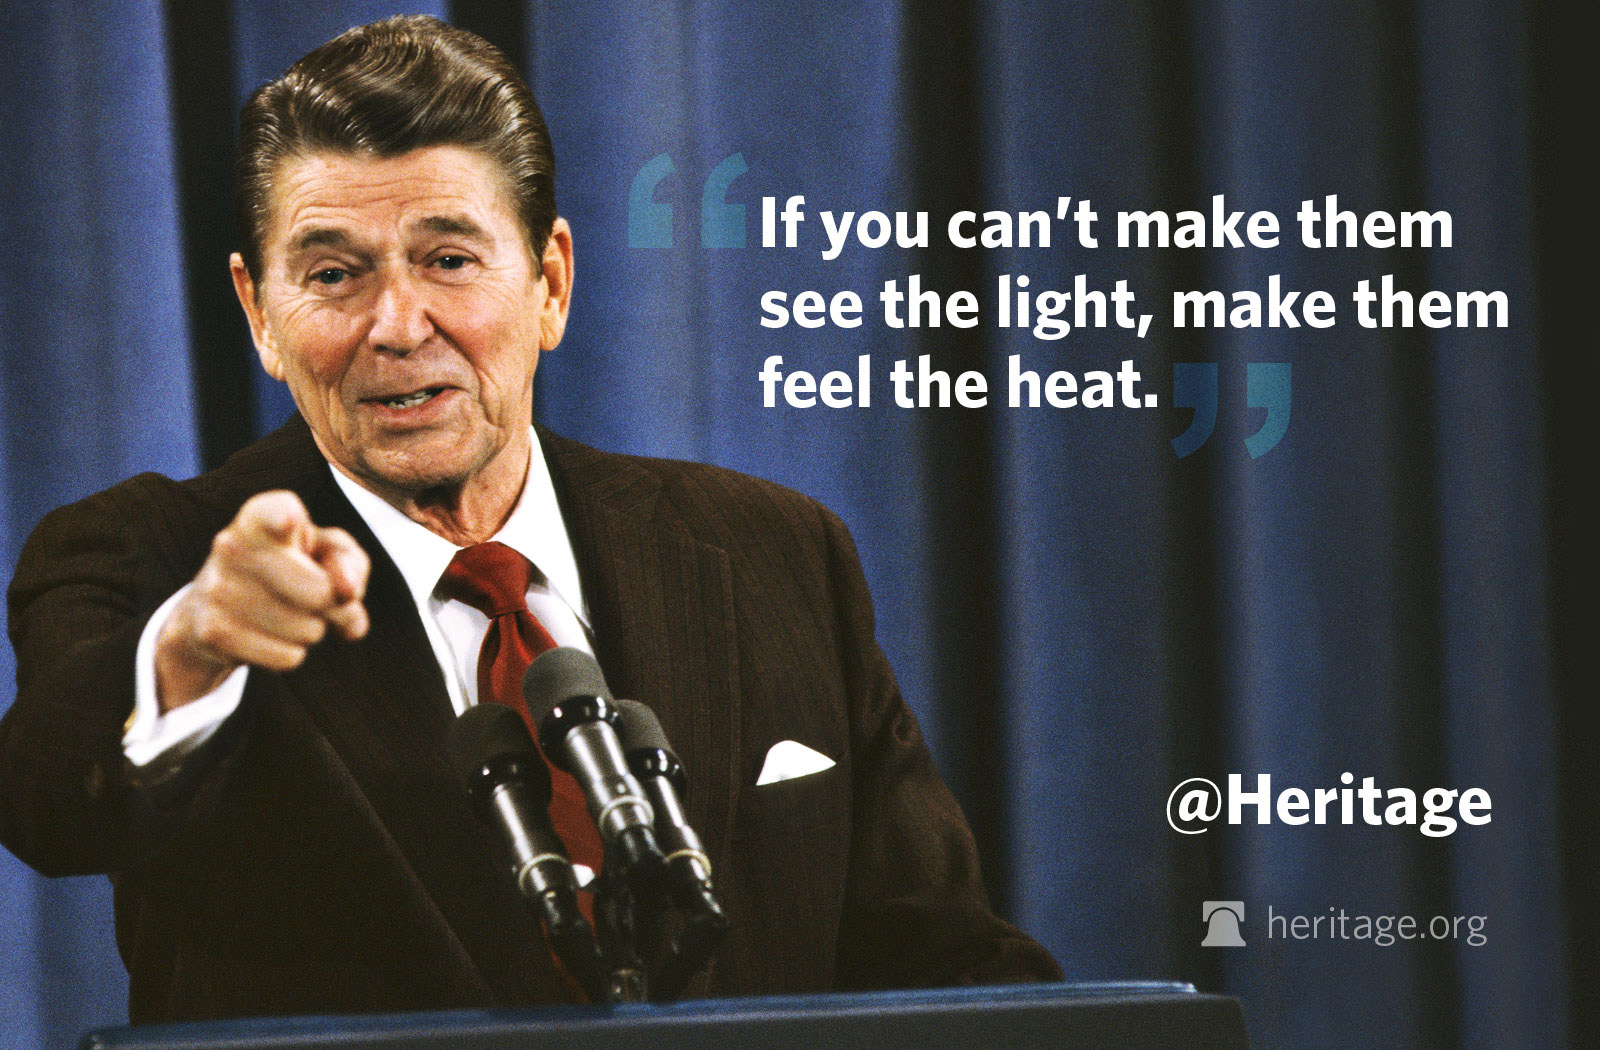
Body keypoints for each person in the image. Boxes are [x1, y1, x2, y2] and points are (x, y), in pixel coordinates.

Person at [0, 15, 1060, 1024]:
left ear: (549, 283)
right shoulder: (147, 561)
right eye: (333, 274)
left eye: (449, 260)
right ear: (259, 313)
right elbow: (50, 801)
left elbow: (948, 967)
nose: (398, 325)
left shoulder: (775, 554)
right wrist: (192, 649)